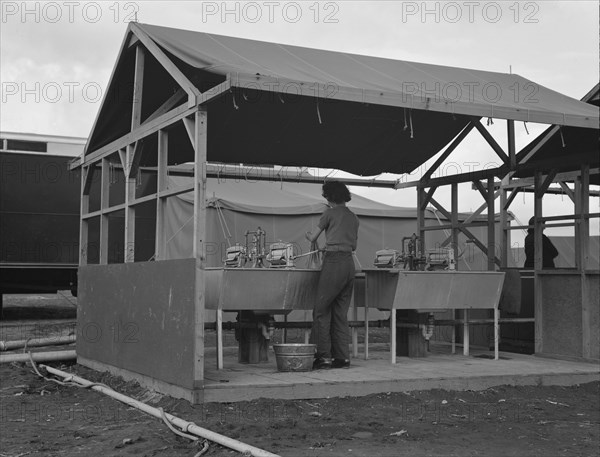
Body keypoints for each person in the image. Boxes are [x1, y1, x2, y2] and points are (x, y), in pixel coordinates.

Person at [305, 181, 359, 369]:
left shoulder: (329, 213)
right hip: (349, 264)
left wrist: (309, 236)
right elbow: (350, 244)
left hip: (334, 263)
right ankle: (342, 358)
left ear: (329, 197)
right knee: (340, 313)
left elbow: (312, 237)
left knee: (320, 310)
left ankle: (323, 356)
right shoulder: (353, 217)